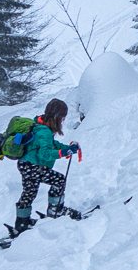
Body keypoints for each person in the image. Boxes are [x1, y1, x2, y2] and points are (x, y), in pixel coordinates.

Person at [8, 99, 83, 238]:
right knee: (59, 180)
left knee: (29, 192)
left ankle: (22, 223)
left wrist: (67, 148)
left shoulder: (41, 126)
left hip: (26, 164)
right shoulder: (44, 131)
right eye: (62, 117)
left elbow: (51, 144)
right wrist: (64, 153)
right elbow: (45, 153)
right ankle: (56, 210)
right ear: (57, 116)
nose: (63, 120)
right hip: (33, 166)